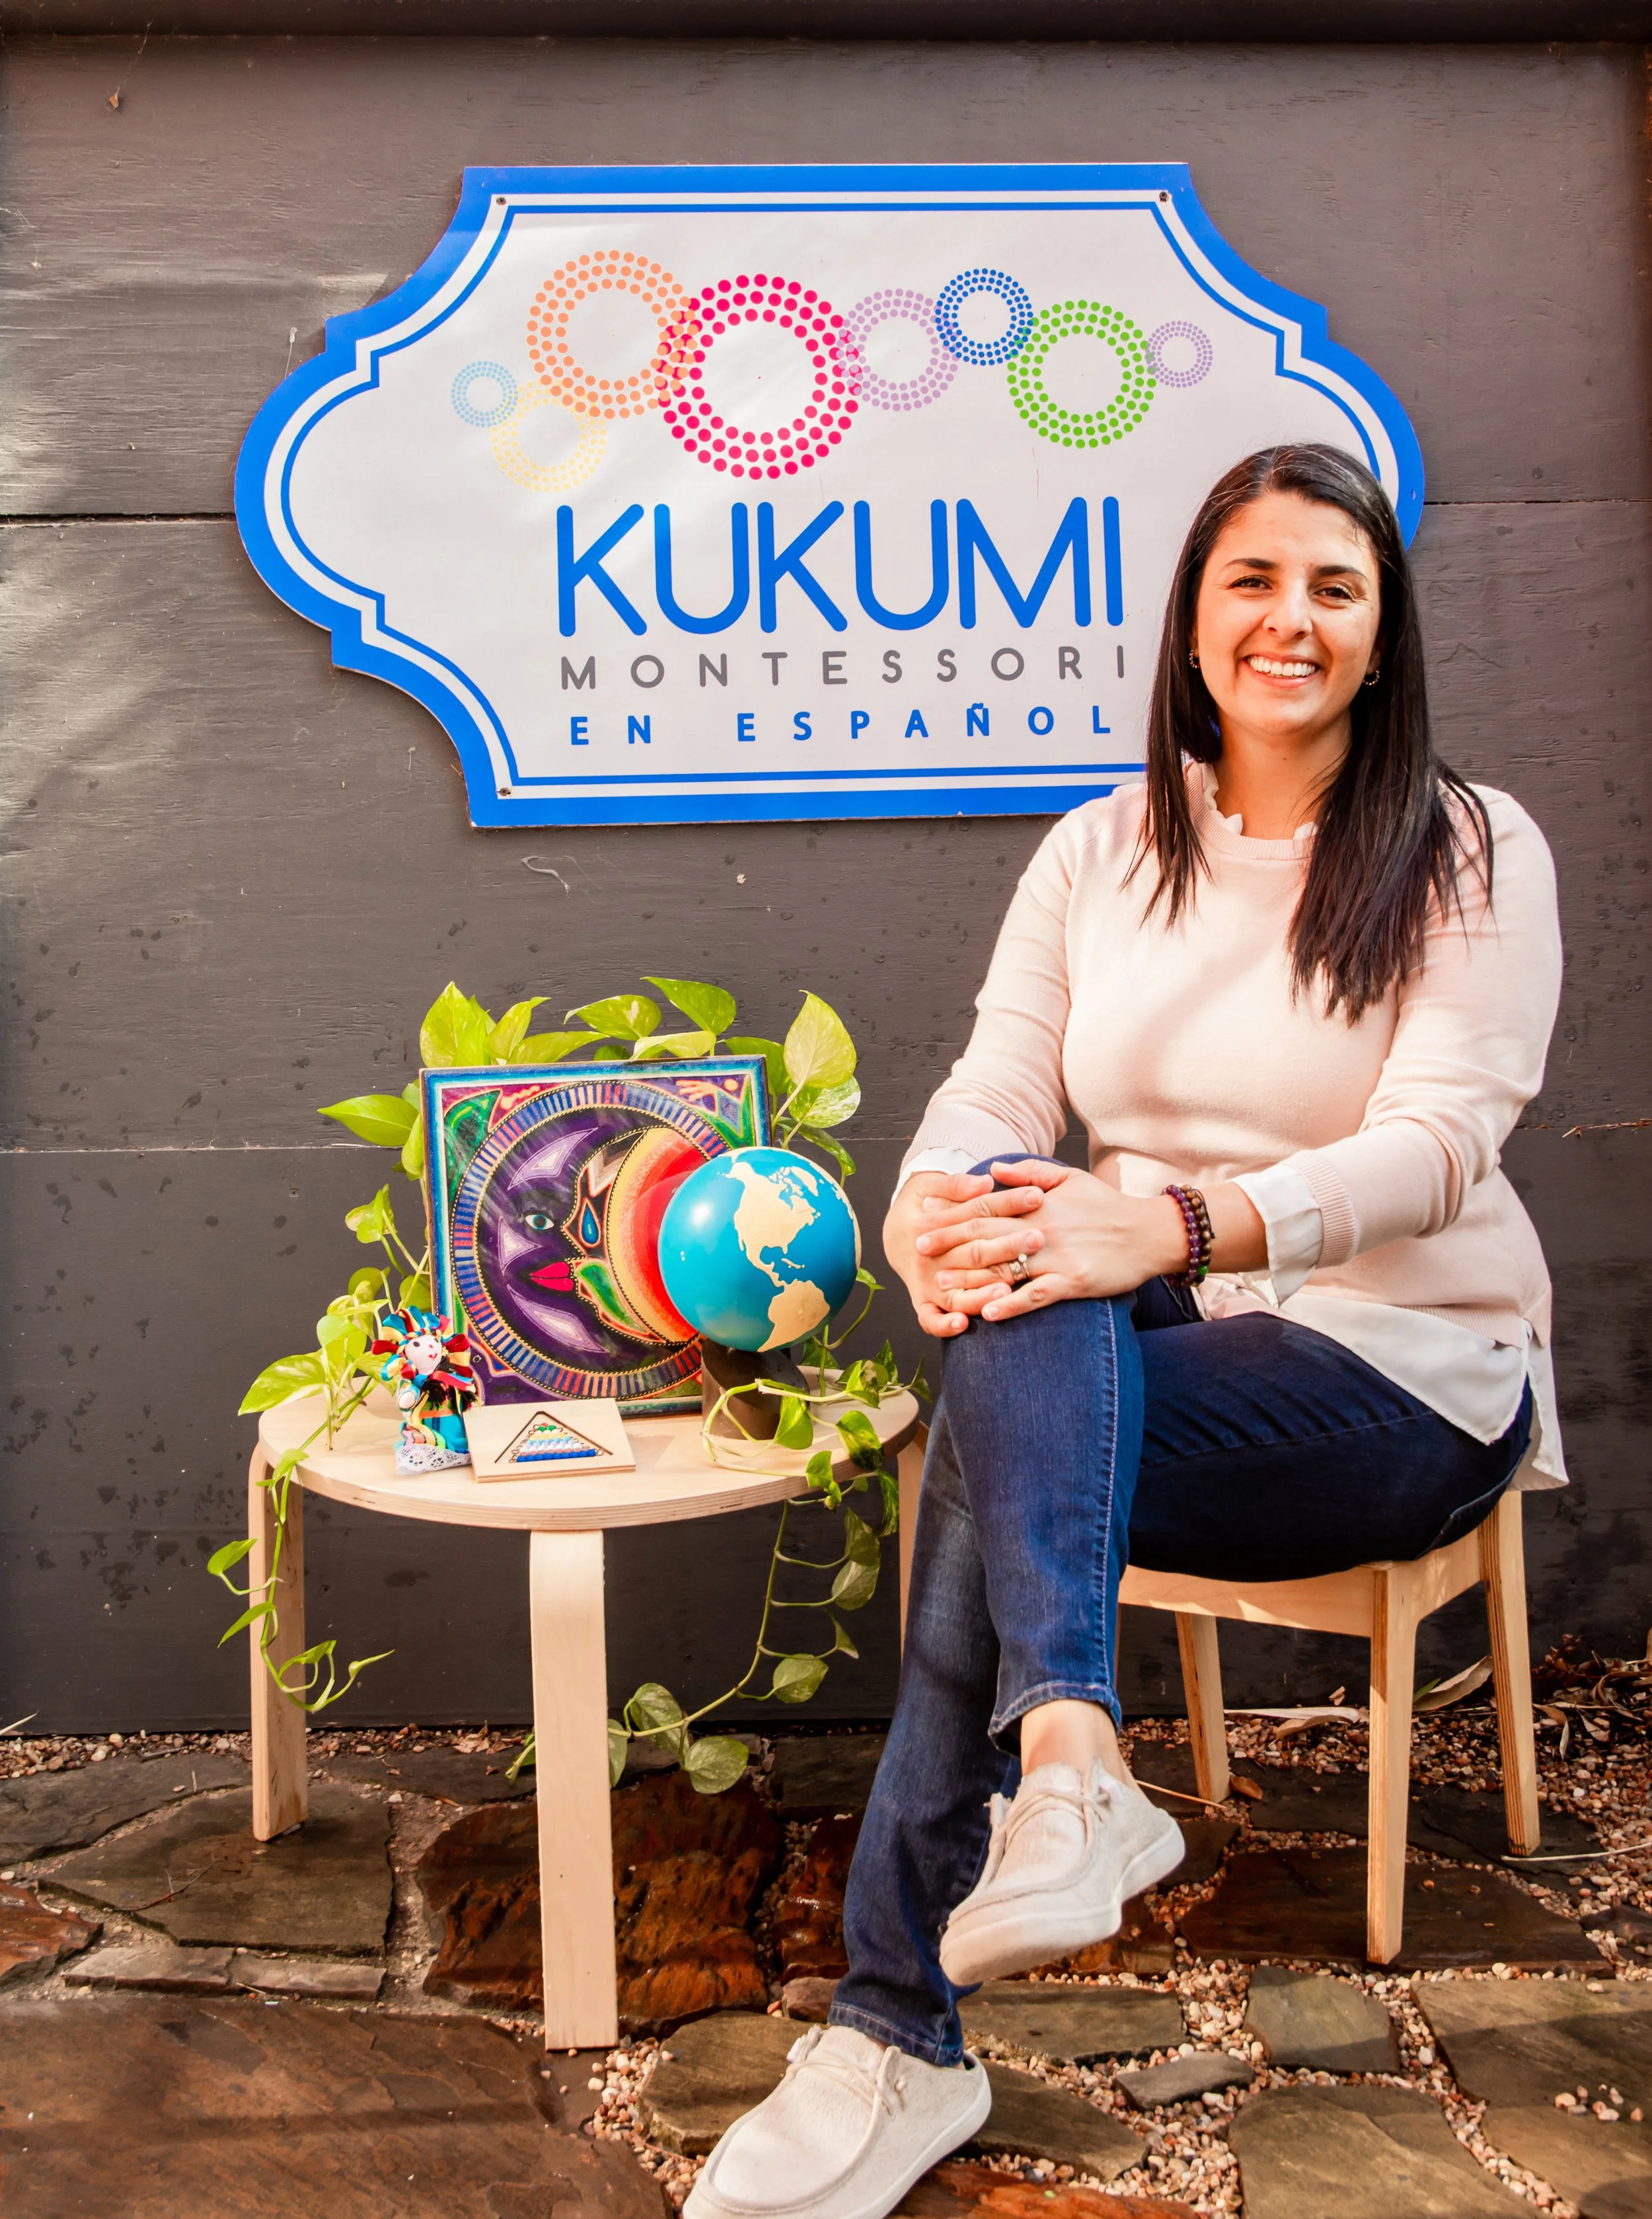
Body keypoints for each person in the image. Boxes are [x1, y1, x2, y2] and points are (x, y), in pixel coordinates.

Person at [686, 443, 1565, 2219]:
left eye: (1333, 586)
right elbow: (997, 1081)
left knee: (1004, 1404)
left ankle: (893, 2023)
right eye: (1250, 579)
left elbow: (1435, 1146)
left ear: (1380, 639)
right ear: (1189, 615)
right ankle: (1074, 1767)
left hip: (1403, 1368)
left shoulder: (1467, 846)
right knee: (1015, 1252)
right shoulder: (1104, 845)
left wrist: (1162, 1218)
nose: (1287, 619)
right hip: (1149, 1328)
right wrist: (926, 1214)